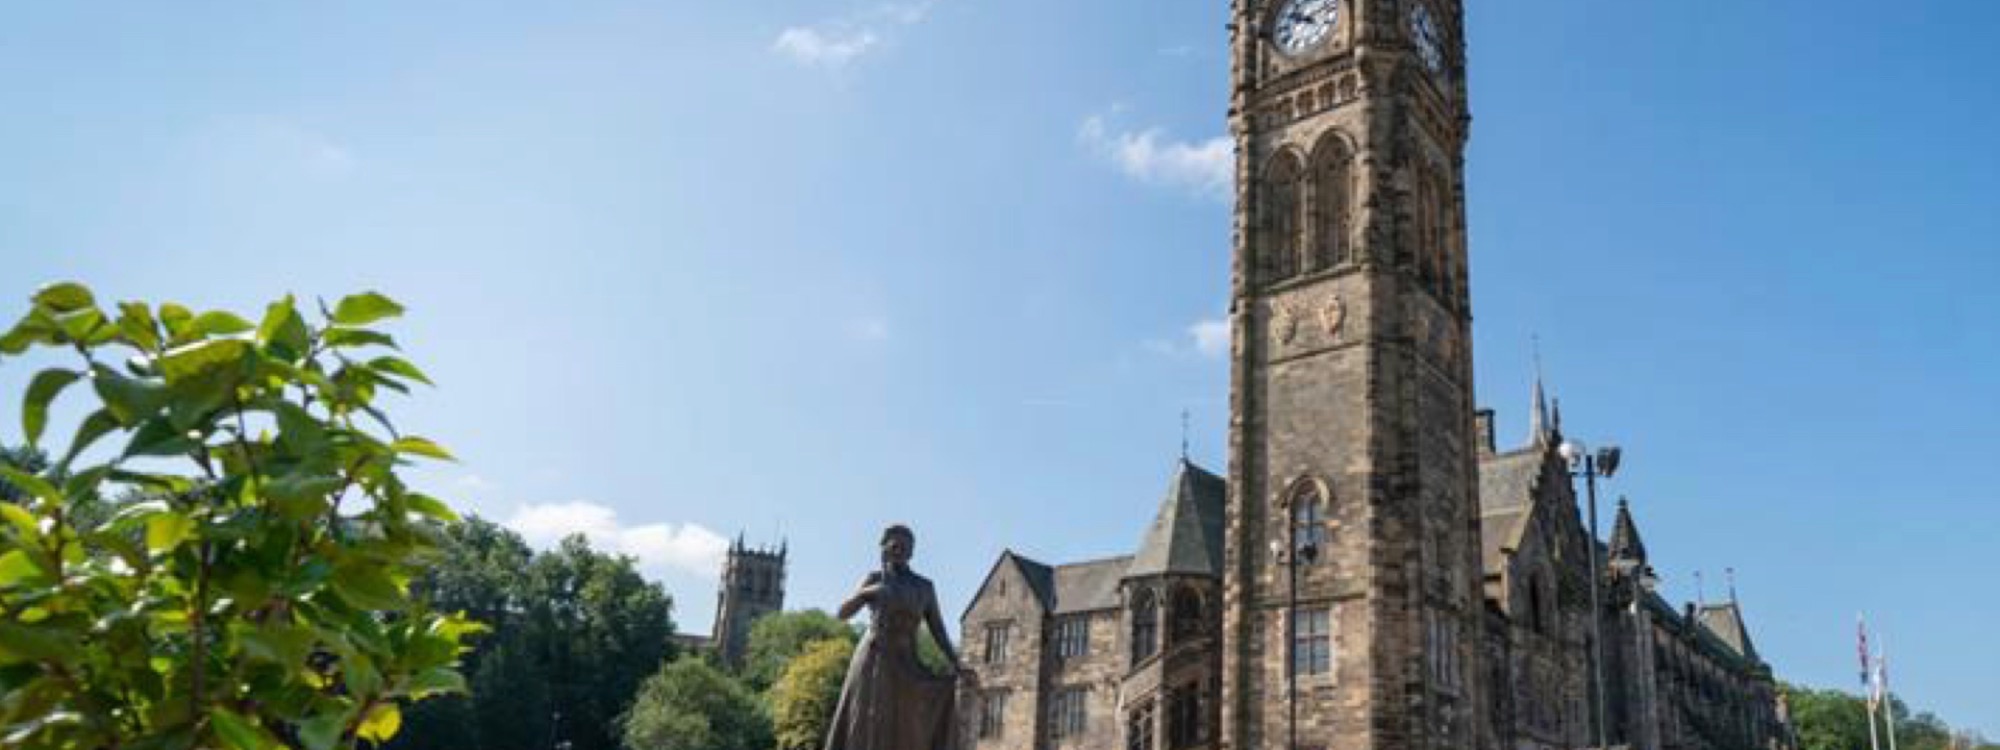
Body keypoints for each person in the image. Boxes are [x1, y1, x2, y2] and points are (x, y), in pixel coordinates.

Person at [826, 524, 963, 750]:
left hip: (907, 658)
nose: (899, 550)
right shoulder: (874, 578)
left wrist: (956, 662)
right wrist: (867, 592)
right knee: (864, 717)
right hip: (873, 653)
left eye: (905, 547)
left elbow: (938, 629)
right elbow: (842, 613)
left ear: (912, 552)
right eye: (894, 545)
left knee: (907, 720)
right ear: (885, 548)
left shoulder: (924, 587)